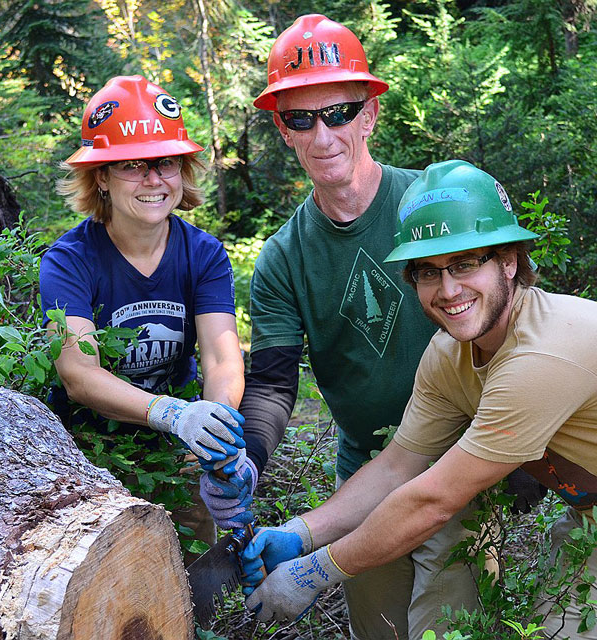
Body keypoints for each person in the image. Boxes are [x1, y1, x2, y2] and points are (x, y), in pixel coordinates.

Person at [199, 14, 483, 640]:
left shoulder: (430, 206)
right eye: (302, 118)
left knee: (450, 624)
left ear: (370, 115)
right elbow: (274, 387)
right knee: (380, 629)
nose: (323, 133)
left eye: (339, 112)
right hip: (365, 473)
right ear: (283, 129)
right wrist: (243, 457)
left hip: (458, 463)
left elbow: (507, 325)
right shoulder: (282, 259)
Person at [241, 159, 597, 640]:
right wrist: (302, 533)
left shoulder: (540, 356)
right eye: (429, 272)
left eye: (466, 263)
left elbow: (434, 501)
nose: (448, 290)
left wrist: (314, 572)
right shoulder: (450, 352)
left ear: (509, 260)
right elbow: (398, 467)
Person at [39, 75, 248, 559]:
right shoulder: (70, 260)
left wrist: (217, 430)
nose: (154, 179)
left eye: (166, 162)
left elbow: (222, 359)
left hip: (176, 456)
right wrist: (173, 414)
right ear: (102, 178)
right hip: (87, 453)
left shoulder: (204, 255)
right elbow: (78, 373)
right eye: (133, 165)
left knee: (191, 576)